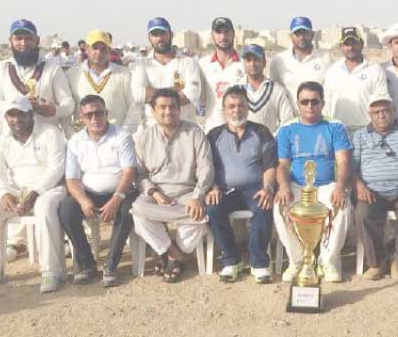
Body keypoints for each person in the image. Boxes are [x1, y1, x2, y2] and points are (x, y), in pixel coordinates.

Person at [0, 19, 73, 259]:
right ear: (11, 41)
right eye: (18, 38)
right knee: (16, 183)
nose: (23, 43)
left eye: (28, 38)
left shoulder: (52, 68)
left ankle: (60, 237)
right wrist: (20, 106)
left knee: (47, 186)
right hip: (13, 138)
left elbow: (68, 104)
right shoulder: (2, 69)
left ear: (37, 40)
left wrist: (48, 108)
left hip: (46, 138)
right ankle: (17, 240)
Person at [0, 97, 67, 294]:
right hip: (17, 191)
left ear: (30, 114)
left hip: (49, 189)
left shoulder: (50, 133)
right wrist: (5, 194)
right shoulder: (2, 141)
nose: (16, 120)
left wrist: (35, 192)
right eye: (11, 115)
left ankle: (51, 271)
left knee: (44, 207)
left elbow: (56, 169)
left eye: (21, 114)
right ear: (6, 118)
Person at [130, 89, 214, 283]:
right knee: (138, 210)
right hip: (157, 195)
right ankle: (175, 254)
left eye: (173, 107)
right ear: (153, 111)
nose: (168, 112)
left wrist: (198, 196)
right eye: (162, 107)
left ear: (180, 109)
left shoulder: (194, 132)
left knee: (203, 214)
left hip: (188, 193)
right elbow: (140, 175)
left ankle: (165, 250)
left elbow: (206, 168)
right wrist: (154, 193)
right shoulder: (144, 137)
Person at [274, 81, 353, 283]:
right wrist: (283, 186)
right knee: (279, 205)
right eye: (305, 102)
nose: (310, 106)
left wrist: (340, 187)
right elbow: (282, 165)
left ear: (322, 103)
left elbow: (343, 161)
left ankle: (327, 261)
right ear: (298, 104)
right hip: (297, 185)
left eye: (314, 102)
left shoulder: (335, 126)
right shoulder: (286, 129)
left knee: (342, 205)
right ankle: (298, 261)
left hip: (326, 185)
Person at [58, 95, 137, 288]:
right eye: (89, 114)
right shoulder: (75, 141)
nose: (95, 119)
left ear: (106, 114)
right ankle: (87, 265)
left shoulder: (122, 135)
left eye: (99, 113)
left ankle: (110, 266)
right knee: (66, 209)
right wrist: (83, 200)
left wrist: (116, 198)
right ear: (81, 117)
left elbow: (129, 172)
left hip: (119, 189)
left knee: (128, 210)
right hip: (89, 192)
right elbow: (72, 179)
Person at [205, 86, 278, 284]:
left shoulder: (261, 132)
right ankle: (231, 260)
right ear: (224, 110)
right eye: (231, 106)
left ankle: (259, 262)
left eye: (241, 106)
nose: (236, 110)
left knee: (264, 205)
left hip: (255, 187)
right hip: (224, 189)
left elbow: (270, 165)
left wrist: (268, 188)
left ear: (248, 108)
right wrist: (211, 187)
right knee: (212, 209)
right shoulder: (213, 135)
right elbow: (206, 167)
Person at [352, 97, 398, 280]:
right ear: (370, 115)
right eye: (376, 113)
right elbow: (351, 167)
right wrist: (359, 186)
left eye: (385, 111)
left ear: (394, 111)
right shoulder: (360, 135)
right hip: (371, 191)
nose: (381, 116)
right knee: (363, 214)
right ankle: (377, 262)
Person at [66, 30, 141, 136]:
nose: (99, 52)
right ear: (87, 49)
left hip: (116, 139)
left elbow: (134, 107)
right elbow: (66, 111)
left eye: (103, 49)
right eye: (95, 48)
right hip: (83, 141)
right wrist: (73, 137)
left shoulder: (124, 74)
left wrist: (123, 134)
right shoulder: (72, 74)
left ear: (109, 50)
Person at [131, 17, 203, 126]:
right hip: (153, 129)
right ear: (149, 38)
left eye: (163, 33)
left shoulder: (188, 63)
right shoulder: (141, 65)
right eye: (155, 34)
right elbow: (138, 95)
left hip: (184, 129)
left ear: (171, 34)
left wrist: (152, 95)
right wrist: (174, 90)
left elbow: (191, 95)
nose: (159, 38)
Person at [323, 27, 390, 136]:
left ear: (361, 44)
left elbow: (381, 101)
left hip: (368, 131)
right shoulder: (332, 71)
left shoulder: (374, 69)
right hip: (338, 132)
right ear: (341, 46)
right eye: (346, 44)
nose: (350, 47)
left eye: (354, 43)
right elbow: (326, 105)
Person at [268, 16, 332, 107]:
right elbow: (273, 92)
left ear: (312, 34)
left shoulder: (325, 59)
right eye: (297, 33)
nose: (302, 37)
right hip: (289, 119)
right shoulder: (279, 60)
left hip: (317, 118)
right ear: (291, 36)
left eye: (305, 33)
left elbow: (330, 93)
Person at [199, 17, 245, 131]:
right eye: (218, 32)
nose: (223, 37)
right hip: (212, 131)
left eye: (227, 32)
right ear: (212, 36)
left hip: (241, 131)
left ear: (233, 34)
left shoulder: (244, 64)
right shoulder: (202, 65)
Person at [238, 44, 296, 133]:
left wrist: (273, 139)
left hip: (268, 144)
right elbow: (223, 116)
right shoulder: (235, 88)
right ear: (244, 64)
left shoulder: (277, 90)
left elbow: (287, 121)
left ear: (264, 62)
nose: (252, 64)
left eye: (256, 60)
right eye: (248, 60)